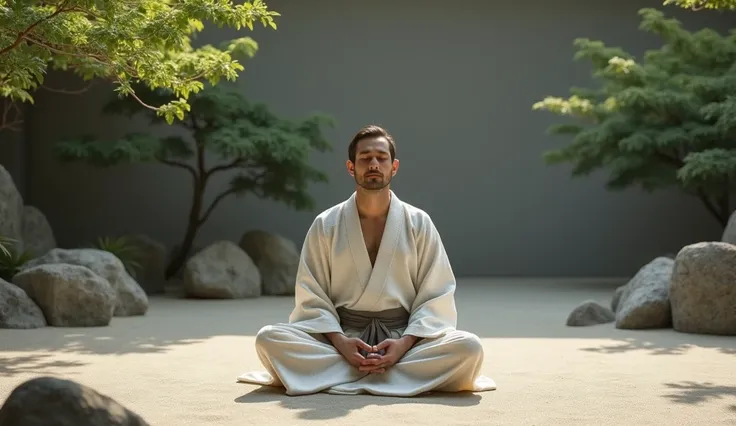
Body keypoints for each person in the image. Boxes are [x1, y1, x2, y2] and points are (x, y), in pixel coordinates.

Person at [237, 125, 496, 396]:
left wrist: (404, 344)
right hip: (343, 336)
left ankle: (344, 373)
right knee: (268, 338)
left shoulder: (418, 223)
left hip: (403, 337)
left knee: (469, 347)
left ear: (394, 167)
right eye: (365, 158)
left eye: (381, 158)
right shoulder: (326, 224)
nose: (374, 164)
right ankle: (389, 375)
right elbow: (311, 296)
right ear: (351, 167)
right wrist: (341, 342)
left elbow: (436, 295)